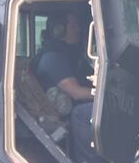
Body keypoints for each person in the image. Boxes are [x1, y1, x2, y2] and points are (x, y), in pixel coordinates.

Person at [33, 11, 103, 163]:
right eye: (74, 26)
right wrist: (105, 94)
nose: (79, 29)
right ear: (59, 30)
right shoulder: (52, 58)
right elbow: (76, 93)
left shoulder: (68, 55)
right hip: (63, 113)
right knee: (84, 113)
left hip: (69, 107)